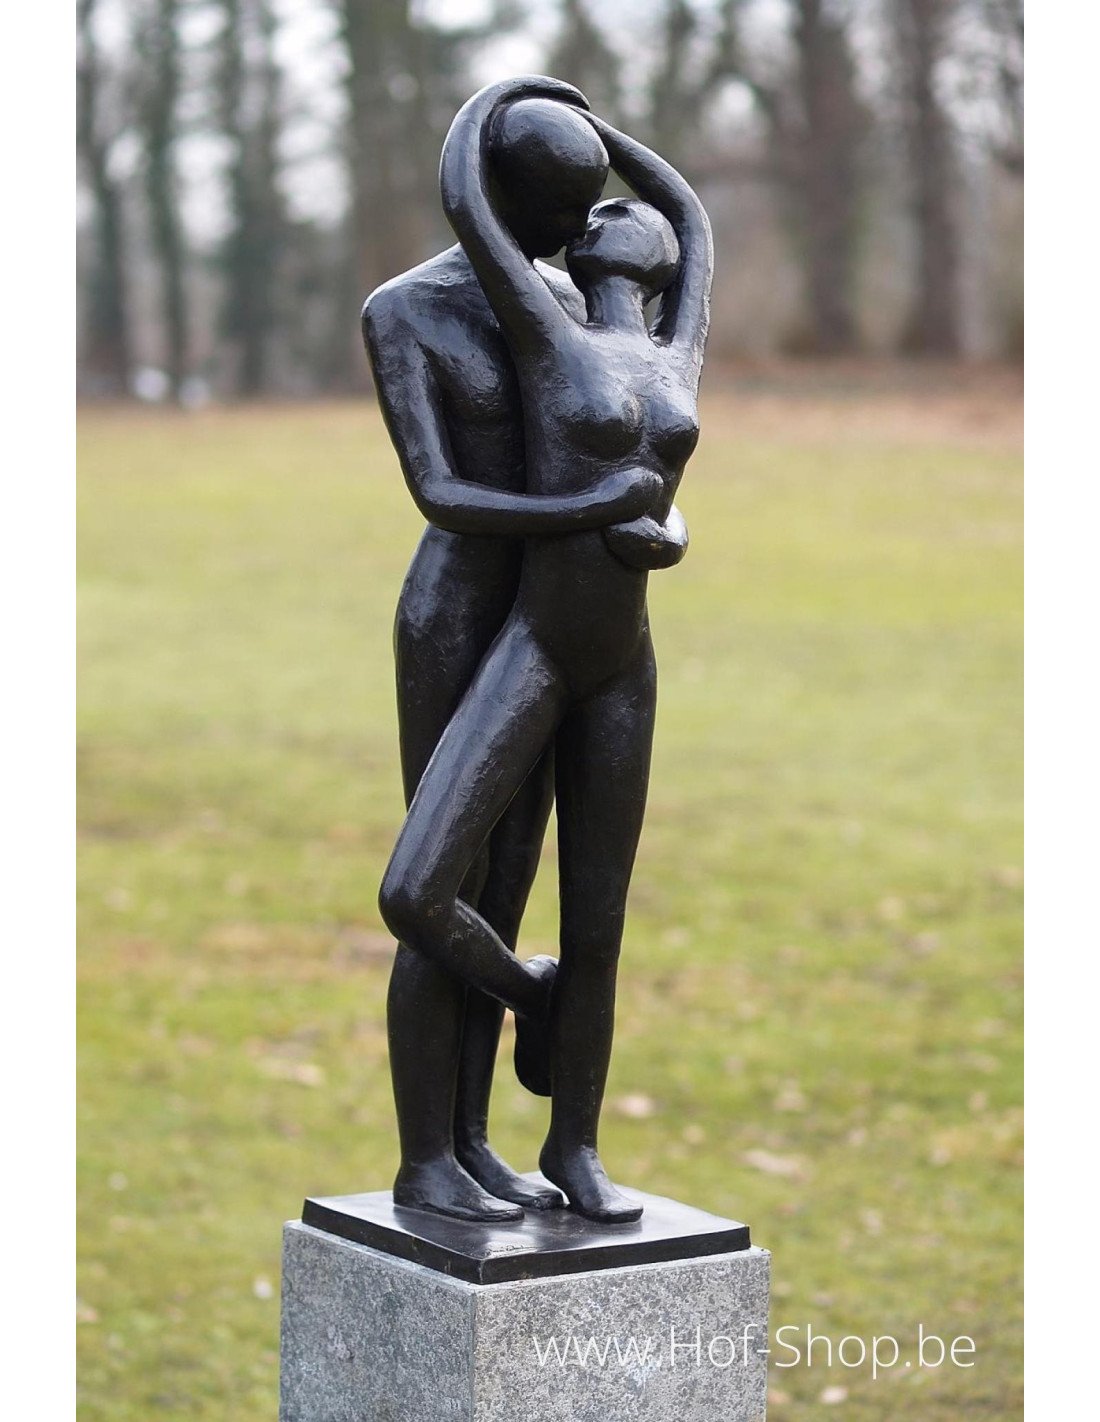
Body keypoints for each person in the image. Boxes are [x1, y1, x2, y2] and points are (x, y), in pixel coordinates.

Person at [378, 77, 713, 1223]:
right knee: (452, 879)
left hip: (580, 614)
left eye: (587, 208)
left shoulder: (575, 309)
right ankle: (429, 1150)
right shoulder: (406, 312)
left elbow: (641, 446)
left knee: (519, 881)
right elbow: (440, 490)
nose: (577, 230)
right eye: (559, 207)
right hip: (458, 612)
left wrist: (649, 524)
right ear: (503, 194)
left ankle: (484, 1143)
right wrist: (599, 512)